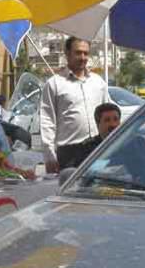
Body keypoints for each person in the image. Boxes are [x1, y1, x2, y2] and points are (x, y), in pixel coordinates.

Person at [40, 37, 110, 172]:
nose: (82, 57)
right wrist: (49, 156)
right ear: (67, 53)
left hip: (97, 151)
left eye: (86, 53)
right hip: (68, 154)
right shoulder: (54, 84)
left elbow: (107, 114)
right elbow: (47, 122)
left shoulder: (98, 82)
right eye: (78, 53)